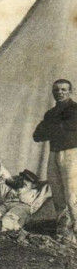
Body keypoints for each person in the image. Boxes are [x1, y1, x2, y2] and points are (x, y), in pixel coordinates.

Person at [33, 78, 77, 245]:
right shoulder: (50, 113)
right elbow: (37, 135)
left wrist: (52, 128)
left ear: (70, 91)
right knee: (57, 193)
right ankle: (64, 232)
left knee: (72, 194)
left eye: (63, 89)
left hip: (71, 153)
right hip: (54, 153)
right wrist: (55, 127)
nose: (60, 92)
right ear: (53, 92)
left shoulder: (75, 109)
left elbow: (60, 129)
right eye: (56, 90)